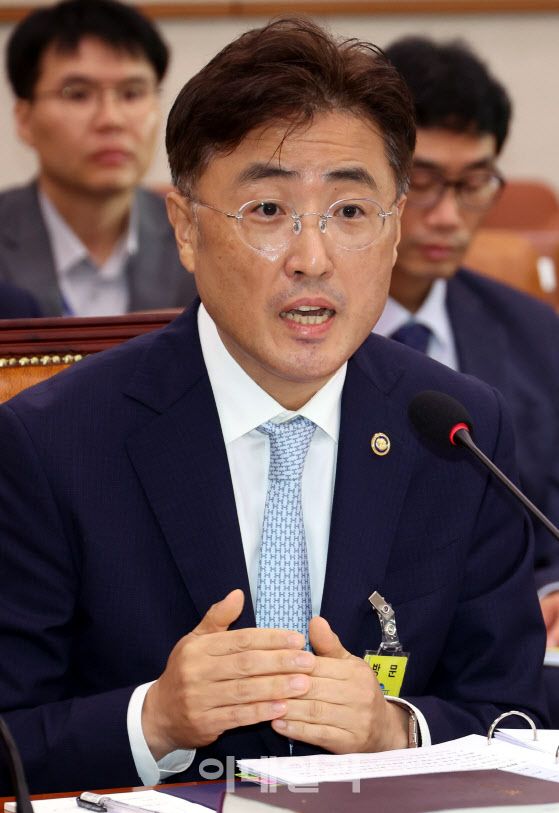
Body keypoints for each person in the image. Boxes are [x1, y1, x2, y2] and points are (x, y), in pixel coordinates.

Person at [0, 17, 547, 795]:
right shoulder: (52, 442)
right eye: (266, 210)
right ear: (185, 228)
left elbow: (513, 715)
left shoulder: (457, 430)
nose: (311, 258)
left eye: (350, 213)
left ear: (393, 230)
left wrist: (393, 730)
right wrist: (153, 719)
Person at [376, 38, 559, 657]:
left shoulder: (535, 333)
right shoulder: (297, 329)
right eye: (423, 182)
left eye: (474, 182)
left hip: (505, 647)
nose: (449, 216)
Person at [0, 0, 196, 317]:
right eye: (78, 94)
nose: (110, 119)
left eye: (132, 93)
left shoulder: (200, 239)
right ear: (24, 119)